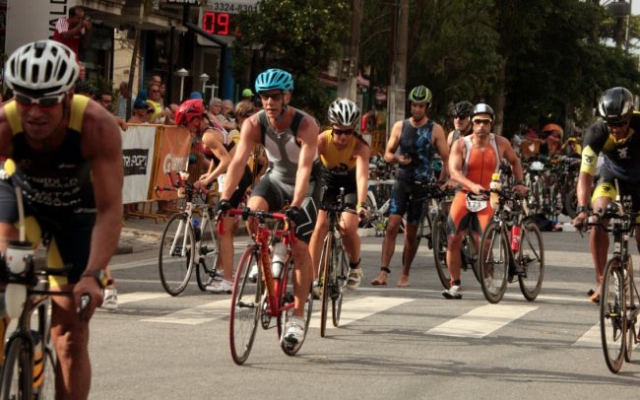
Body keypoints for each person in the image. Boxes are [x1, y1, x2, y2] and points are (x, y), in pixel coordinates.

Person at [0, 40, 123, 398]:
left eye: (47, 101)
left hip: (79, 213)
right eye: (24, 99)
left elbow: (109, 210)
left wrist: (93, 275)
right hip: (22, 202)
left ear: (69, 95)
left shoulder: (97, 126)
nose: (34, 112)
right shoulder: (6, 125)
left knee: (70, 335)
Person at [217, 68, 321, 345]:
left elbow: (304, 170)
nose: (269, 103)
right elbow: (238, 162)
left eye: (275, 97)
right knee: (253, 210)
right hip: (275, 178)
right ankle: (267, 255)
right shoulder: (253, 123)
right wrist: (225, 199)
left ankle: (297, 318)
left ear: (286, 96)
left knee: (299, 246)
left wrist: (297, 204)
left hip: (307, 183)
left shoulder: (305, 124)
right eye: (264, 97)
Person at [444, 103, 527, 299]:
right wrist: (471, 185)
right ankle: (454, 284)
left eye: (486, 122)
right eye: (478, 122)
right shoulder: (461, 144)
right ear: (472, 123)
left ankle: (487, 274)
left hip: (490, 196)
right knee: (453, 240)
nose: (482, 125)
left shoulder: (501, 143)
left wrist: (520, 183)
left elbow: (515, 162)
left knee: (485, 244)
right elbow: (454, 172)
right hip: (465, 194)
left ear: (492, 124)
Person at [370, 85, 450, 287]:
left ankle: (404, 273)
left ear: (427, 107)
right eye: (414, 105)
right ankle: (383, 272)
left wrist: (441, 182)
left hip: (422, 187)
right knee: (392, 226)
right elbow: (387, 154)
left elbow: (448, 159)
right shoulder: (400, 126)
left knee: (411, 233)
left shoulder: (435, 129)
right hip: (402, 182)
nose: (416, 109)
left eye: (421, 106)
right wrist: (396, 158)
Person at [174, 99, 252, 293]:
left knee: (223, 229)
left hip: (237, 175)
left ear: (195, 120)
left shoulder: (208, 136)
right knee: (226, 227)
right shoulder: (212, 127)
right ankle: (221, 271)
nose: (186, 129)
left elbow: (225, 161)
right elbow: (220, 158)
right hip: (239, 174)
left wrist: (207, 181)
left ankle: (227, 280)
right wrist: (208, 174)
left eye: (186, 124)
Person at [572, 86, 640, 304]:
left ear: (630, 116)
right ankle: (602, 280)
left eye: (620, 123)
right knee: (597, 216)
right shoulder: (596, 133)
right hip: (613, 177)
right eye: (611, 124)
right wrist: (582, 209)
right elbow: (585, 175)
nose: (615, 129)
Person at [309, 99, 370, 293]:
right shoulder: (322, 139)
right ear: (331, 127)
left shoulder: (360, 146)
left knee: (346, 227)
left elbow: (361, 177)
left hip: (350, 186)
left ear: (354, 129)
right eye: (339, 131)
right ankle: (312, 279)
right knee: (319, 226)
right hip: (327, 184)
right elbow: (307, 165)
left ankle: (355, 266)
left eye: (348, 132)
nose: (343, 137)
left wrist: (361, 204)